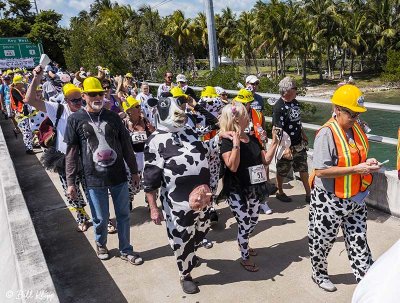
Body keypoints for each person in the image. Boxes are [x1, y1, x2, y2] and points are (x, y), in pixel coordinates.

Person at [143, 95, 231, 294]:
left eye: (180, 108)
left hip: (203, 199)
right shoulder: (155, 141)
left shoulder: (189, 131)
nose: (180, 112)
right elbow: (150, 178)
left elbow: (204, 149)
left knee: (203, 228)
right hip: (178, 204)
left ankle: (190, 252)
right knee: (182, 237)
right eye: (173, 109)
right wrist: (154, 207)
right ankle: (185, 274)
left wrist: (219, 138)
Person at [308, 84, 380, 292]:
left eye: (358, 114)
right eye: (351, 113)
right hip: (329, 200)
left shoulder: (356, 128)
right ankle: (318, 273)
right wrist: (356, 169)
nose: (355, 118)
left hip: (355, 198)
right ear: (337, 109)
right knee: (322, 240)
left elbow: (358, 155)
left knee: (358, 238)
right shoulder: (326, 134)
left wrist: (369, 162)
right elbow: (321, 171)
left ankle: (365, 278)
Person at [64, 77, 143, 264]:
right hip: (92, 179)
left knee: (123, 215)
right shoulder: (75, 119)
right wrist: (70, 182)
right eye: (92, 94)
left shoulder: (113, 117)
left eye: (100, 93)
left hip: (118, 177)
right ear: (84, 96)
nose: (97, 97)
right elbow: (71, 153)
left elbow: (126, 147)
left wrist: (134, 171)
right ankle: (101, 243)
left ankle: (126, 249)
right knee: (100, 217)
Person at [25, 66, 91, 232]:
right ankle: (82, 217)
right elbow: (30, 100)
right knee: (72, 191)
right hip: (64, 158)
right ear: (66, 100)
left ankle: (100, 218)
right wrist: (37, 78)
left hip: (86, 157)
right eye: (74, 100)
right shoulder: (57, 109)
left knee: (92, 191)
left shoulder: (85, 111)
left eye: (79, 99)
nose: (78, 103)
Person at [219, 101, 278, 273]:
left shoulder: (252, 138)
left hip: (253, 187)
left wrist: (274, 142)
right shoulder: (227, 142)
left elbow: (265, 160)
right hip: (236, 189)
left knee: (253, 220)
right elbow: (233, 166)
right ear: (237, 120)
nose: (249, 117)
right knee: (244, 222)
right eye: (246, 114)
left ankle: (242, 241)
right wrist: (236, 143)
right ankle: (244, 256)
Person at [235, 88, 276, 214]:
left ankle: (263, 202)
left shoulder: (258, 115)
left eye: (244, 103)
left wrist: (264, 141)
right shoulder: (233, 114)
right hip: (240, 148)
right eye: (239, 102)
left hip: (255, 148)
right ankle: (244, 202)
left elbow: (262, 130)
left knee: (259, 177)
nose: (241, 105)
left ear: (249, 103)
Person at [273, 76, 311, 203]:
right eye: (295, 88)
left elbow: (297, 121)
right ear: (287, 90)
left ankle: (308, 193)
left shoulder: (295, 103)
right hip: (286, 144)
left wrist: (303, 133)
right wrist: (285, 148)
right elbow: (278, 129)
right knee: (283, 169)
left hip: (298, 142)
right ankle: (280, 191)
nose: (297, 91)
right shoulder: (278, 107)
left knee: (303, 168)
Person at [122, 95, 155, 209]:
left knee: (149, 182)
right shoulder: (123, 124)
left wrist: (152, 131)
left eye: (139, 106)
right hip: (131, 158)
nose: (139, 108)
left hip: (145, 156)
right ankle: (128, 201)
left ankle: (150, 203)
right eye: (136, 106)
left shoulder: (145, 121)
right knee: (129, 184)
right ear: (129, 111)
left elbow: (154, 137)